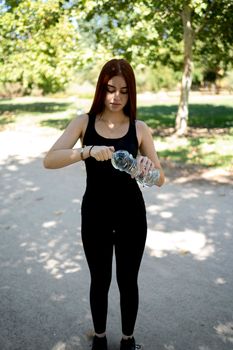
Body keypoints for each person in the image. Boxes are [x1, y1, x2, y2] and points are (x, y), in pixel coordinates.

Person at [43, 58, 165, 350]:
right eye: (110, 89)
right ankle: (99, 339)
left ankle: (127, 339)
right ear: (101, 88)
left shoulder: (140, 128)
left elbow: (160, 179)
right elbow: (50, 159)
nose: (116, 97)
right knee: (99, 280)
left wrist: (146, 168)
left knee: (127, 281)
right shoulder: (84, 123)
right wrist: (86, 150)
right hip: (95, 215)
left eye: (124, 91)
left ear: (131, 93)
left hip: (132, 216)